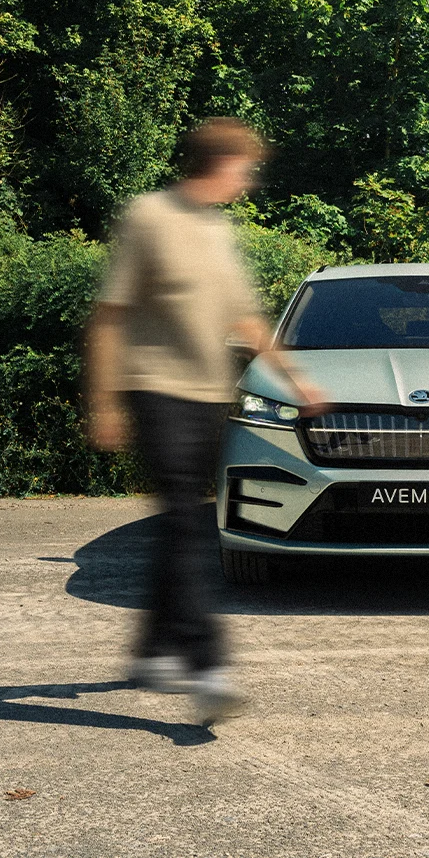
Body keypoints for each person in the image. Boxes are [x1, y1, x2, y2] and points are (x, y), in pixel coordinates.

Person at [83, 118, 322, 726]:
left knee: (180, 524)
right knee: (188, 527)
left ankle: (151, 652)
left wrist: (298, 383)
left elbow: (247, 320)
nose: (249, 179)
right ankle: (208, 665)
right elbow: (109, 316)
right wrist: (103, 402)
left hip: (210, 397)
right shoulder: (149, 217)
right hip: (155, 389)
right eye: (246, 167)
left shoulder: (218, 229)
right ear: (220, 163)